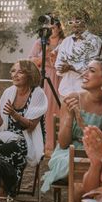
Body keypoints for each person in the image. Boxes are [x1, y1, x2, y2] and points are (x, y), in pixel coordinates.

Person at [41, 58, 102, 192]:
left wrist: (80, 119)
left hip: (98, 153)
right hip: (68, 152)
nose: (84, 74)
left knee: (87, 174)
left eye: (91, 71)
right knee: (81, 172)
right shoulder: (73, 98)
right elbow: (63, 143)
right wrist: (70, 116)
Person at [0, 60, 48, 199]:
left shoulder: (38, 94)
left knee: (7, 148)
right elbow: (2, 125)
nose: (15, 75)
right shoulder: (9, 92)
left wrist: (14, 114)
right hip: (8, 136)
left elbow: (31, 126)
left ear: (30, 75)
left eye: (20, 72)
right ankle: (3, 187)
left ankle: (6, 188)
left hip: (28, 138)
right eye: (13, 71)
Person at [29, 16, 65, 151]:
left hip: (60, 78)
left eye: (54, 27)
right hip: (44, 75)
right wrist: (45, 54)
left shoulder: (64, 41)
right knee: (43, 108)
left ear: (60, 28)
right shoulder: (40, 42)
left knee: (57, 110)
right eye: (49, 27)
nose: (51, 30)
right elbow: (31, 60)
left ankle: (55, 144)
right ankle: (41, 143)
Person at [54, 11, 101, 97]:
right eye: (71, 22)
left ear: (85, 21)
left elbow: (91, 67)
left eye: (77, 21)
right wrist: (63, 68)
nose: (74, 24)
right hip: (65, 90)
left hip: (86, 91)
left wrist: (71, 67)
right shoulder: (65, 41)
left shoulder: (95, 41)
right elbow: (58, 65)